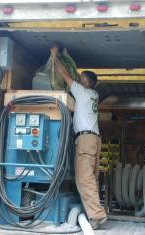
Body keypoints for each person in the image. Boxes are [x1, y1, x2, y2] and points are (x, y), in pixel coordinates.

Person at [50, 45, 107, 229]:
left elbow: (65, 75)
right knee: (91, 178)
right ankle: (94, 212)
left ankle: (97, 215)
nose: (78, 80)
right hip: (94, 139)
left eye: (81, 79)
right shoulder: (93, 95)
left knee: (84, 179)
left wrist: (55, 56)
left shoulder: (82, 92)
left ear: (86, 83)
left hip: (85, 140)